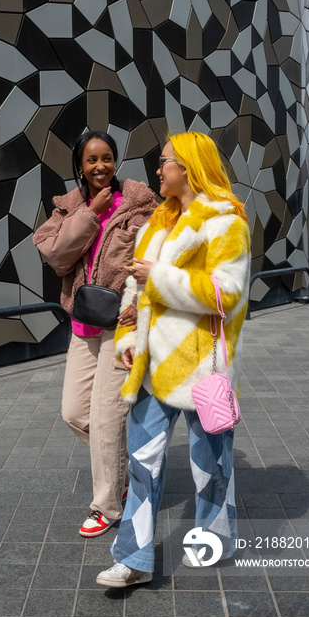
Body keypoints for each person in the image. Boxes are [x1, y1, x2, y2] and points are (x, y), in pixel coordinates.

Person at [96, 131, 251, 586]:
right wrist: (127, 342)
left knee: (212, 463)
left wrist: (160, 276)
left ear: (188, 167)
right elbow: (132, 290)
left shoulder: (226, 223)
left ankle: (215, 538)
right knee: (142, 463)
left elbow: (227, 293)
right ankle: (132, 560)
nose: (157, 170)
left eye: (164, 161)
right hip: (150, 366)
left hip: (202, 367)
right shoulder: (157, 224)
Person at [32, 130, 157, 537]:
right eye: (91, 160)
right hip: (83, 323)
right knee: (73, 412)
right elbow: (54, 255)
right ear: (80, 167)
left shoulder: (139, 205)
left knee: (105, 420)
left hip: (120, 325)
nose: (100, 166)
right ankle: (123, 467)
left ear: (115, 161)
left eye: (106, 158)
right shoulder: (68, 209)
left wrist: (138, 312)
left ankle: (107, 506)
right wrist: (89, 214)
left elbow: (150, 260)